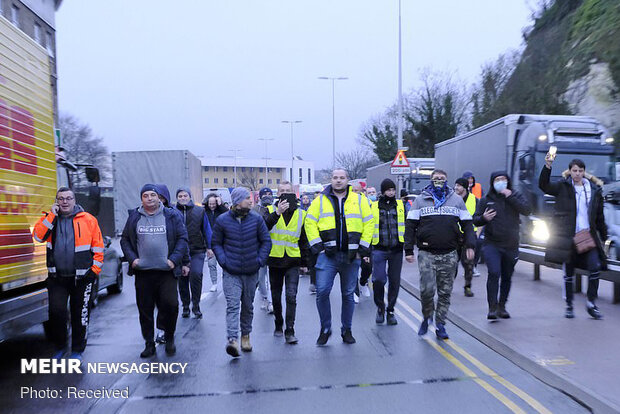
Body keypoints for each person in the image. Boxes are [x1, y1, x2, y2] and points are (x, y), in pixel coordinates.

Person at [33, 187, 104, 362]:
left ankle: (77, 351)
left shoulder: (88, 220)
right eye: (61, 199)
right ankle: (60, 347)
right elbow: (38, 237)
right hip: (57, 278)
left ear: (74, 200)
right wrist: (51, 216)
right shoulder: (49, 219)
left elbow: (98, 248)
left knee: (80, 314)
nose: (65, 202)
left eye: (68, 198)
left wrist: (93, 271)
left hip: (82, 278)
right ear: (56, 201)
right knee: (56, 313)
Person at [305, 169, 374, 345]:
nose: (338, 181)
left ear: (347, 180)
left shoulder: (359, 200)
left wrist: (363, 249)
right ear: (331, 180)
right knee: (322, 292)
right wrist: (318, 247)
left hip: (351, 256)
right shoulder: (319, 200)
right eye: (335, 178)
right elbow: (310, 222)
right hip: (327, 256)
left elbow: (369, 223)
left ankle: (347, 330)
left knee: (348, 294)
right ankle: (325, 329)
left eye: (341, 178)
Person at [404, 169, 475, 340]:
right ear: (430, 180)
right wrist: (408, 250)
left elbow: (467, 224)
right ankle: (427, 316)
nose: (439, 180)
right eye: (436, 178)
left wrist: (470, 245)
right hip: (427, 254)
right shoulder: (420, 200)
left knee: (445, 292)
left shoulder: (456, 200)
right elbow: (410, 226)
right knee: (427, 291)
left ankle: (440, 324)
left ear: (446, 180)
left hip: (449, 253)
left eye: (442, 178)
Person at [121, 184, 188, 358]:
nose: (149, 198)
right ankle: (149, 343)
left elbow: (182, 238)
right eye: (145, 195)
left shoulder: (171, 215)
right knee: (145, 310)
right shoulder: (135, 216)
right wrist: (133, 259)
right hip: (143, 272)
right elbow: (125, 240)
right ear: (141, 198)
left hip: (166, 271)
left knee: (171, 305)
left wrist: (174, 260)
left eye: (153, 195)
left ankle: (170, 336)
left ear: (159, 197)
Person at [539, 157, 607, 319]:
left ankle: (591, 303)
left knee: (595, 267)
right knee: (568, 272)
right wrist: (548, 165)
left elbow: (599, 217)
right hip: (568, 238)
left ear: (584, 172)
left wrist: (603, 238)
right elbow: (543, 185)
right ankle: (569, 305)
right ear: (570, 171)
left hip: (587, 237)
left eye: (580, 171)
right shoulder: (562, 187)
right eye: (574, 171)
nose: (577, 174)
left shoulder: (594, 190)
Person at [211, 187, 272, 357]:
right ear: (237, 201)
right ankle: (232, 340)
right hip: (231, 272)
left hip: (251, 271)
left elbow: (266, 241)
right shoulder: (223, 220)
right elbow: (216, 243)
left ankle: (246, 336)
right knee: (232, 305)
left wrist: (259, 261)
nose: (250, 201)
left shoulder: (257, 219)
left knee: (247, 306)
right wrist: (223, 261)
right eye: (247, 198)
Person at [473, 172, 531, 319]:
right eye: (497, 180)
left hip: (511, 245)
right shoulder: (486, 199)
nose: (500, 182)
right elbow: (475, 219)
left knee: (507, 276)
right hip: (492, 244)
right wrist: (484, 218)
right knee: (494, 272)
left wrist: (509, 196)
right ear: (492, 183)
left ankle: (502, 306)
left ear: (508, 181)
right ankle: (492, 307)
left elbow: (527, 210)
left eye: (503, 180)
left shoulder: (515, 196)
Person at [263, 181, 311, 344]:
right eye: (282, 191)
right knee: (276, 297)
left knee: (291, 296)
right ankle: (278, 322)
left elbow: (304, 240)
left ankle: (290, 330)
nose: (285, 193)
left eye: (288, 191)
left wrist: (305, 262)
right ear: (278, 194)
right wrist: (277, 213)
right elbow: (263, 228)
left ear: (293, 193)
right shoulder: (269, 210)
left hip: (292, 260)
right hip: (275, 260)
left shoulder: (301, 214)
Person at [370, 179, 405, 325]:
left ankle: (390, 310)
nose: (391, 192)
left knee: (395, 281)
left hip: (396, 249)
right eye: (388, 190)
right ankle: (380, 307)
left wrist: (408, 246)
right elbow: (367, 226)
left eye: (393, 190)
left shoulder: (401, 205)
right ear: (383, 191)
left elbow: (407, 225)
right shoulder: (373, 206)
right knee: (378, 279)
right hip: (379, 248)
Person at [176, 187, 213, 319]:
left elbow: (206, 230)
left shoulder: (199, 211)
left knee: (196, 275)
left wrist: (209, 247)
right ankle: (185, 305)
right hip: (179, 252)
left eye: (185, 195)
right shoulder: (172, 212)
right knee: (182, 278)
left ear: (190, 197)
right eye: (180, 196)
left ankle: (196, 305)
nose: (182, 198)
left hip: (196, 249)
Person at [454, 178, 478, 297]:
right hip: (454, 235)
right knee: (452, 262)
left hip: (469, 234)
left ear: (464, 187)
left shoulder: (474, 199)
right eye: (455, 185)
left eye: (458, 185)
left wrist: (476, 234)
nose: (456, 188)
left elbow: (479, 218)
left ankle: (467, 287)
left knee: (468, 262)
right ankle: (448, 286)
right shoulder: (451, 199)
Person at [254, 187, 275, 313]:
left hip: (275, 248)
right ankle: (264, 297)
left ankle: (271, 300)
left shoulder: (277, 209)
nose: (267, 196)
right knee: (261, 277)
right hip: (259, 248)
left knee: (272, 277)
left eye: (269, 194)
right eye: (264, 194)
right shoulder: (255, 210)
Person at [204, 193, 228, 291]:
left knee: (224, 264)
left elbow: (228, 213)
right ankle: (214, 283)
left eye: (214, 203)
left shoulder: (221, 211)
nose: (212, 206)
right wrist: (206, 246)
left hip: (223, 243)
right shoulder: (204, 212)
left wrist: (220, 204)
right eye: (210, 204)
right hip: (211, 243)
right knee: (211, 264)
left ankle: (225, 282)